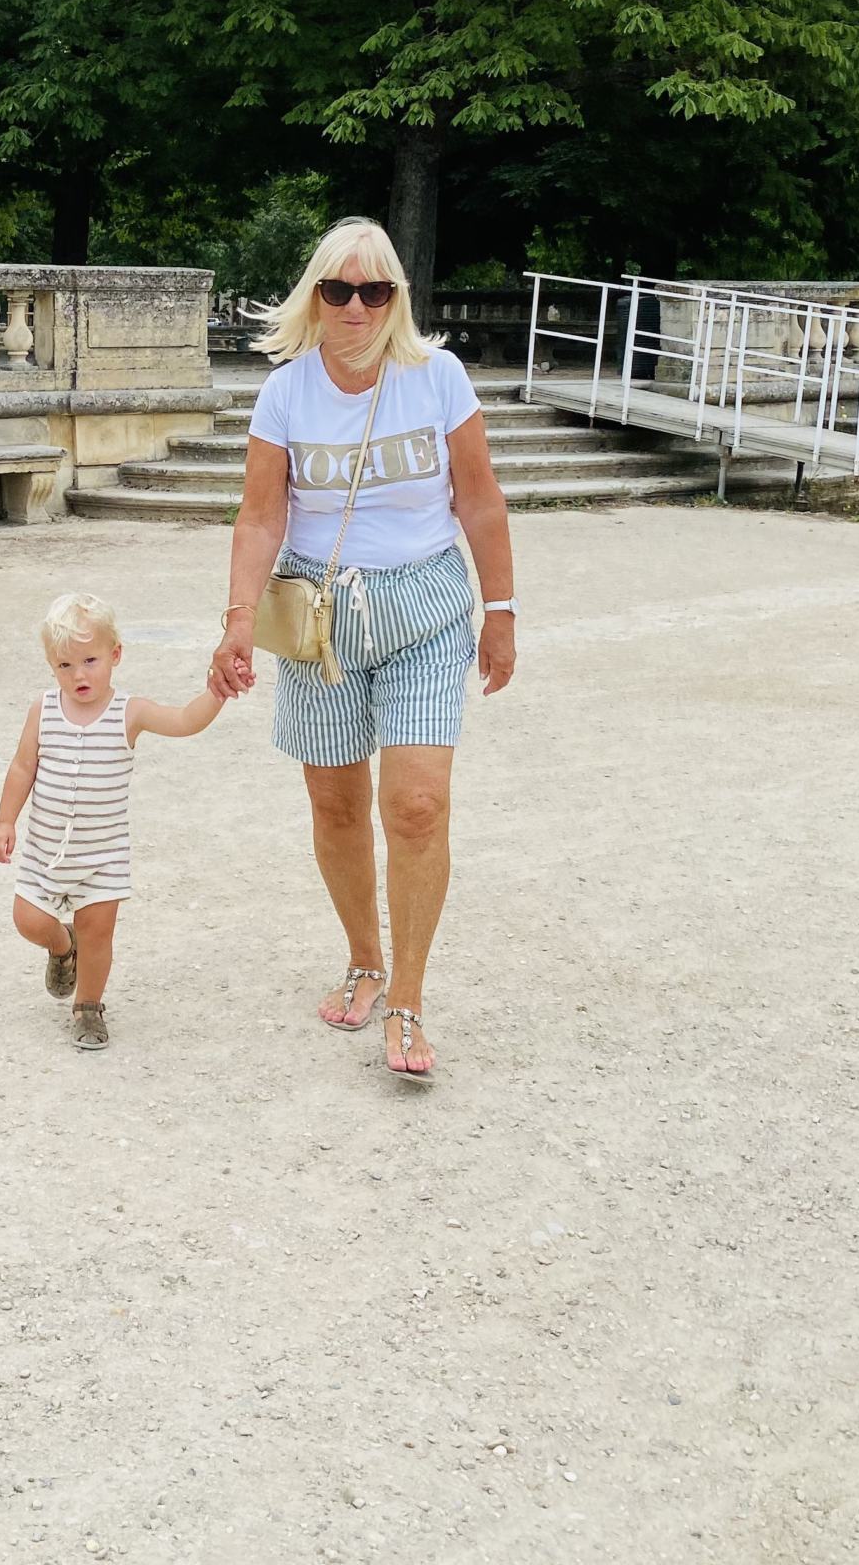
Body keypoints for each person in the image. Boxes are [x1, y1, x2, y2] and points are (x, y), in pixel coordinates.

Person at [209, 217, 516, 1077]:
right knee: (337, 805)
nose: (356, 307)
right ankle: (364, 957)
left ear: (396, 299)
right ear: (315, 296)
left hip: (425, 608)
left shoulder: (438, 379)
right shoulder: (286, 393)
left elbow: (479, 500)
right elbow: (260, 516)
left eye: (374, 290)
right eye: (338, 289)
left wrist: (501, 610)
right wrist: (238, 618)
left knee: (416, 805)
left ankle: (408, 1000)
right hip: (320, 618)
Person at [0, 591, 225, 1050]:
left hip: (102, 858)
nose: (78, 675)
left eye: (90, 661)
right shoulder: (44, 710)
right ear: (51, 665)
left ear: (115, 655)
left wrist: (216, 694)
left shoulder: (128, 712)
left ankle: (88, 1007)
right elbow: (22, 768)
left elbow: (183, 720)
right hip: (45, 851)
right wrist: (5, 821)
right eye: (64, 665)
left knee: (98, 933)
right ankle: (62, 946)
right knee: (27, 920)